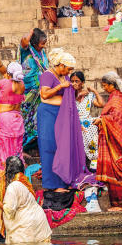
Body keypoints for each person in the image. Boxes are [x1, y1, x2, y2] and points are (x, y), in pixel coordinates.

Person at [38, 48, 96, 194]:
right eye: (68, 69)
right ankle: (53, 184)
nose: (69, 73)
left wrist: (74, 89)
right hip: (48, 114)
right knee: (50, 147)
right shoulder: (47, 75)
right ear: (61, 66)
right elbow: (44, 94)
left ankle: (66, 180)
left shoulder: (66, 77)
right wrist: (60, 86)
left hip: (63, 115)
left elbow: (70, 95)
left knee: (64, 147)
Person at [0, 156, 52, 245]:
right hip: (37, 224)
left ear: (8, 170)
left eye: (5, 167)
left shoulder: (14, 185)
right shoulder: (21, 180)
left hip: (27, 227)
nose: (4, 170)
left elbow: (9, 209)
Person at [95, 71, 122, 211]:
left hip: (118, 140)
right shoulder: (115, 96)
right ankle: (116, 204)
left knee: (119, 170)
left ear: (112, 85)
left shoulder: (118, 98)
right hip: (114, 138)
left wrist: (102, 120)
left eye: (105, 86)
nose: (104, 88)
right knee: (114, 172)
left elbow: (116, 119)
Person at [0, 61, 25, 170]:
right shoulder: (22, 84)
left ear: (9, 74)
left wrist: (6, 78)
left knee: (3, 150)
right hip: (17, 119)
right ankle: (17, 174)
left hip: (5, 120)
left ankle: (2, 178)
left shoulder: (5, 83)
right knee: (16, 149)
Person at [19, 29, 49, 148]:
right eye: (42, 43)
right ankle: (23, 144)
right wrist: (32, 32)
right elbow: (24, 42)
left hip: (40, 92)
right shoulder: (26, 50)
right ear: (35, 43)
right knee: (25, 116)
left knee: (38, 117)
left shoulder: (42, 53)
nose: (44, 45)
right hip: (28, 92)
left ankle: (35, 139)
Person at [70, 71, 104, 170]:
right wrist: (78, 95)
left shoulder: (89, 96)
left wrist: (94, 91)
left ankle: (94, 159)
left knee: (93, 123)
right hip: (73, 122)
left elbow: (101, 104)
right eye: (72, 81)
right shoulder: (69, 95)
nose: (74, 83)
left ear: (83, 83)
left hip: (86, 124)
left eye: (77, 81)